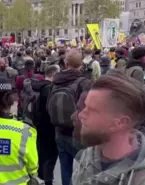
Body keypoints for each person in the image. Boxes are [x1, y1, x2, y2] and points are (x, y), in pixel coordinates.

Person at [73, 70, 145, 185]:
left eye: (91, 110)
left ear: (120, 123)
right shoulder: (85, 157)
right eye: (85, 107)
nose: (80, 115)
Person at [47, 49, 92, 185]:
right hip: (79, 134)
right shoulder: (85, 82)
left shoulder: (55, 81)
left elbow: (48, 105)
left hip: (59, 132)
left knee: (65, 170)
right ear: (81, 64)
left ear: (66, 63)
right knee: (87, 170)